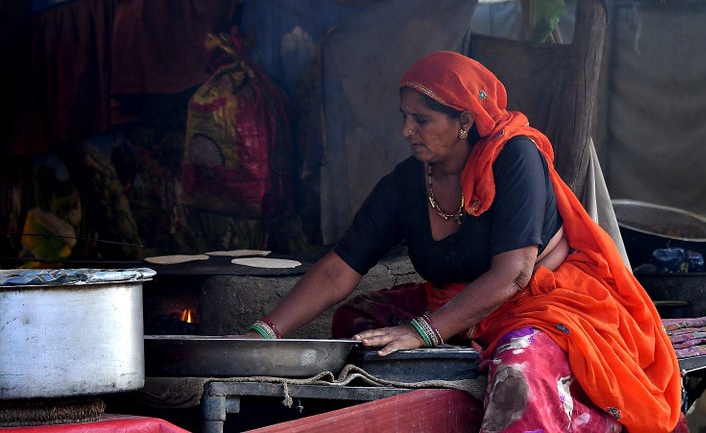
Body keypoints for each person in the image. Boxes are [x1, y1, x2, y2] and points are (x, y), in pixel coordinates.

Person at [244, 51, 682, 432]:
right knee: (357, 324)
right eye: (404, 118)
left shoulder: (515, 157)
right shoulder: (405, 184)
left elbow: (514, 275)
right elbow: (340, 269)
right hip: (460, 306)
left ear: (465, 122)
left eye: (422, 119)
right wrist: (265, 333)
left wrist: (425, 331)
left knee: (520, 370)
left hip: (543, 303)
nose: (406, 131)